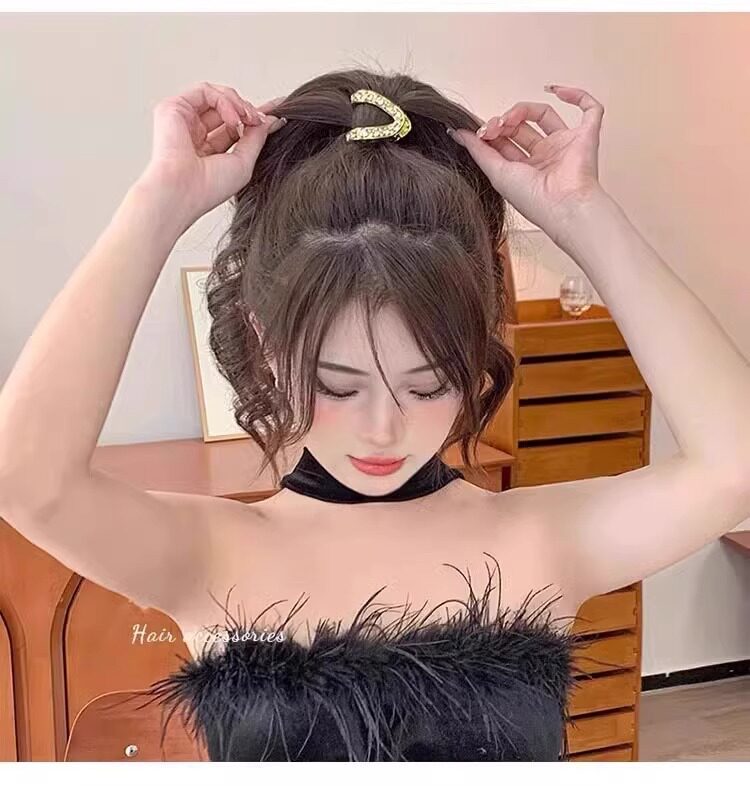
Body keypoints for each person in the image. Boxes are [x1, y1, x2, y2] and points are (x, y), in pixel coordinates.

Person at [0, 68, 748, 763]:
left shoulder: (541, 538)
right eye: (337, 385)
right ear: (265, 344)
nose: (383, 430)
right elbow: (25, 478)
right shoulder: (207, 552)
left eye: (428, 386)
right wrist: (157, 203)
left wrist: (584, 213)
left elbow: (734, 467)